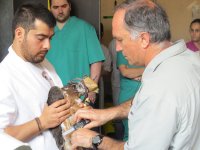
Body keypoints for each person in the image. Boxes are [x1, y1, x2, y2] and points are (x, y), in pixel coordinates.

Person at [70, 0, 200, 149]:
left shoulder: (158, 88)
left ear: (144, 39)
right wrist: (108, 114)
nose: (117, 48)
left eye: (120, 40)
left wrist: (95, 140)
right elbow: (142, 102)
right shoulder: (190, 58)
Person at [0, 3, 71, 150]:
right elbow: (2, 136)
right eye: (41, 38)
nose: (48, 46)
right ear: (19, 34)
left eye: (50, 38)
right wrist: (42, 122)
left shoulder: (45, 63)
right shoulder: (5, 76)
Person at [46, 0, 105, 103]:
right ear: (50, 8)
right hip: (50, 94)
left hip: (79, 96)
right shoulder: (45, 31)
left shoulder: (85, 29)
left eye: (63, 6)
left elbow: (96, 61)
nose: (60, 11)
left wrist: (92, 89)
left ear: (70, 6)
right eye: (56, 7)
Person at [117, 51, 144, 141]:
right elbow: (125, 72)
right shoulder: (122, 51)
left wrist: (136, 73)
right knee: (130, 135)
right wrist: (147, 69)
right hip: (128, 96)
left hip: (145, 97)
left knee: (142, 134)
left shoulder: (148, 50)